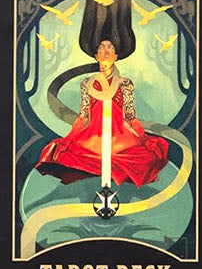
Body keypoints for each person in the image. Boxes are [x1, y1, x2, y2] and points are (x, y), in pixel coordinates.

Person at [36, 39, 168, 187]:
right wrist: (68, 139)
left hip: (119, 138)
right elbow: (83, 116)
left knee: (139, 155)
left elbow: (130, 116)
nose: (105, 51)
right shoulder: (87, 83)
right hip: (92, 137)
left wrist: (144, 138)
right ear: (96, 56)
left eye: (110, 47)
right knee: (63, 152)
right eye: (101, 48)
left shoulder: (125, 83)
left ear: (115, 56)